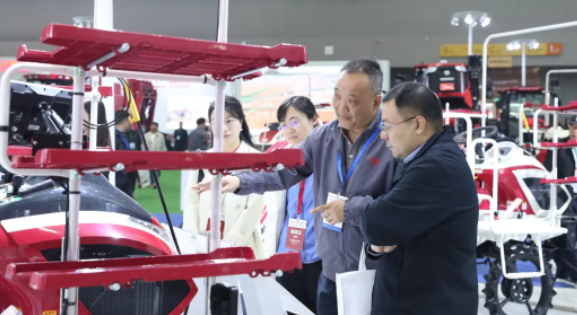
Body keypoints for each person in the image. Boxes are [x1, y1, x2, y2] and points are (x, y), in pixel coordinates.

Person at [192, 58, 395, 315]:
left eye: (352, 101)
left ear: (376, 102)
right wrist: (241, 180)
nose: (341, 107)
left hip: (376, 274)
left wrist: (351, 209)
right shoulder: (323, 138)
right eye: (336, 96)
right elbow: (284, 170)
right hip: (330, 274)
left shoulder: (391, 140)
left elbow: (401, 203)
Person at [360, 82, 479, 315]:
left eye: (388, 126)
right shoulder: (418, 158)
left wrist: (369, 215)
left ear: (418, 124)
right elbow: (385, 227)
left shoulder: (436, 167)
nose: (383, 135)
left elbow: (375, 223)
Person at [183, 96, 266, 258]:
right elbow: (191, 202)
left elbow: (254, 209)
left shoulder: (256, 160)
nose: (223, 128)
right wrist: (192, 240)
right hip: (202, 244)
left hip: (240, 247)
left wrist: (230, 245)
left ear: (241, 122)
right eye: (216, 122)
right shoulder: (201, 159)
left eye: (230, 121)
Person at [273, 96, 322, 314]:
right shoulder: (281, 160)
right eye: (283, 125)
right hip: (287, 256)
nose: (289, 130)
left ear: (314, 119)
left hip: (319, 256)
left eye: (294, 121)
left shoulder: (331, 157)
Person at [544, 115, 577, 289]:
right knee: (569, 234)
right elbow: (547, 171)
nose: (575, 130)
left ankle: (564, 272)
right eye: (572, 126)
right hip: (564, 196)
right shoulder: (558, 147)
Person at [113, 110, 138, 197]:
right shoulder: (114, 136)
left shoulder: (121, 135)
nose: (130, 123)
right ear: (124, 121)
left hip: (126, 174)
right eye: (129, 120)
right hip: (119, 175)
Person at [141, 122, 167, 188]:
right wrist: (143, 153)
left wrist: (164, 154)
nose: (152, 127)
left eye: (154, 126)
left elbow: (163, 146)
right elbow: (143, 145)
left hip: (158, 155)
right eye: (151, 126)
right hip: (148, 155)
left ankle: (155, 182)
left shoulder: (160, 136)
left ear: (157, 127)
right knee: (150, 170)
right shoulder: (146, 135)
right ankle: (151, 182)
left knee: (157, 169)